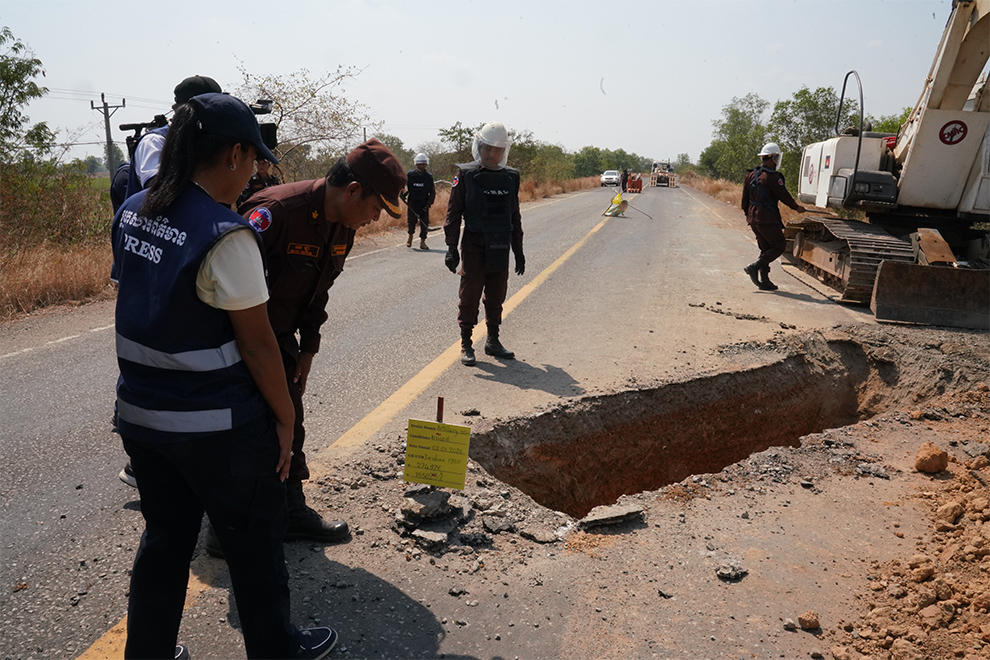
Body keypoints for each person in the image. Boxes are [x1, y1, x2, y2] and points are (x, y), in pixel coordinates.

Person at [111, 92, 336, 659]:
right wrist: (285, 421)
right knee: (254, 545)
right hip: (218, 429)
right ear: (234, 154)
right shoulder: (227, 233)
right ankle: (275, 649)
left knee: (164, 540)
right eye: (255, 159)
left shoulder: (133, 209)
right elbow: (259, 347)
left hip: (141, 419)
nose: (257, 172)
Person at [228, 138, 406, 546]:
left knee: (291, 418)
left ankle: (289, 511)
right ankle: (227, 529)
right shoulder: (274, 214)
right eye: (377, 208)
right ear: (353, 191)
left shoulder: (343, 226)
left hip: (281, 340)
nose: (376, 219)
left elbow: (318, 292)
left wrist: (308, 348)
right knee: (245, 430)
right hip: (237, 341)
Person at [117, 75, 223, 488]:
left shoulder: (204, 143)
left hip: (190, 250)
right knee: (148, 347)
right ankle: (137, 449)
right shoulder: (156, 143)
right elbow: (159, 194)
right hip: (155, 250)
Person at [444, 122, 525, 366]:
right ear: (479, 147)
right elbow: (453, 213)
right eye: (487, 148)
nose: (491, 154)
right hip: (474, 244)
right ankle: (466, 343)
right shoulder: (466, 175)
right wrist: (450, 247)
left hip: (500, 244)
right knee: (470, 294)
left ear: (504, 152)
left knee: (496, 294)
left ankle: (493, 341)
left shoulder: (511, 177)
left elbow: (515, 215)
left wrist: (518, 250)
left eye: (497, 150)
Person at [741, 142, 806, 291]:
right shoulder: (773, 177)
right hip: (767, 218)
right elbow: (783, 195)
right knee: (779, 245)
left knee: (766, 248)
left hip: (753, 217)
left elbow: (744, 200)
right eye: (776, 158)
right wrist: (796, 207)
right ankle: (754, 267)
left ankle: (764, 280)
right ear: (771, 159)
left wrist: (749, 215)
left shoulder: (750, 174)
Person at [402, 152, 436, 250]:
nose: (421, 166)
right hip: (412, 203)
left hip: (424, 204)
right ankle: (410, 237)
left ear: (426, 165)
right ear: (416, 164)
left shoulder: (429, 177)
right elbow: (402, 185)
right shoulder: (410, 175)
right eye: (419, 164)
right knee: (411, 222)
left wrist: (429, 204)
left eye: (423, 164)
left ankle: (422, 242)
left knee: (424, 223)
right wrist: (403, 193)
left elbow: (432, 192)